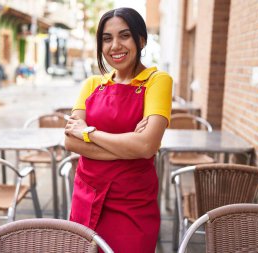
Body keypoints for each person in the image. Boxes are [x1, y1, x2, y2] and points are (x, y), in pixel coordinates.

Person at [64, 7, 172, 253]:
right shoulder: (92, 84)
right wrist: (130, 145)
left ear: (141, 39)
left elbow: (147, 146)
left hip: (132, 203)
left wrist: (89, 133)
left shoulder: (157, 81)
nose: (115, 45)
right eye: (107, 38)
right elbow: (70, 142)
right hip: (86, 197)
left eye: (124, 36)